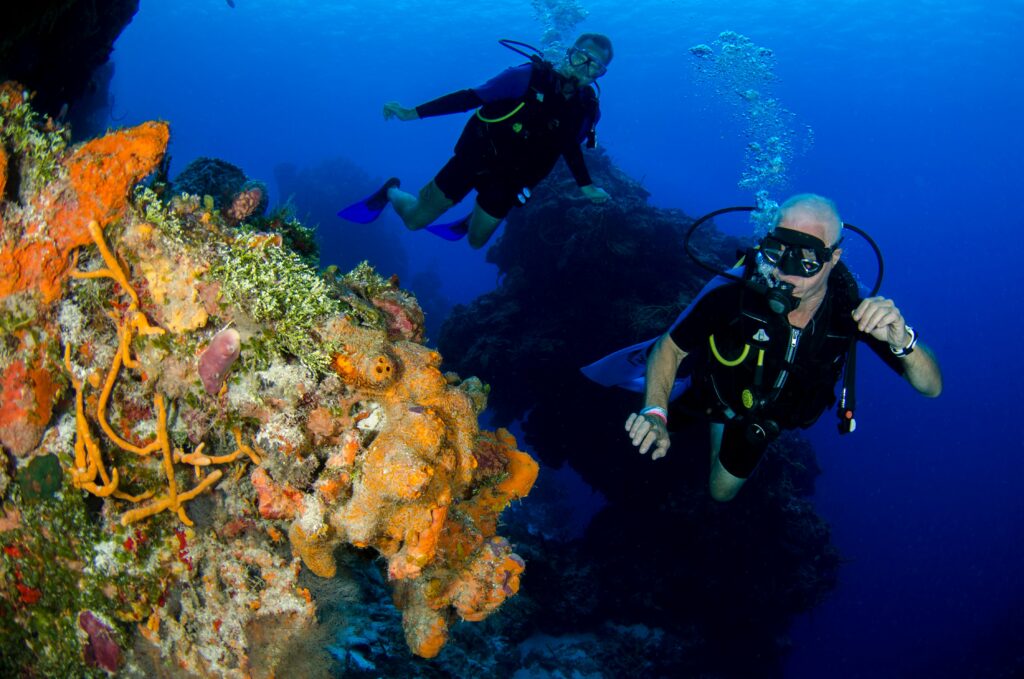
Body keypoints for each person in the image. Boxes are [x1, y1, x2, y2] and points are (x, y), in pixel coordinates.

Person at [621, 194, 942, 501]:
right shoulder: (736, 289)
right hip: (711, 389)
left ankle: (719, 425)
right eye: (777, 251)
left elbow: (932, 388)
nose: (785, 271)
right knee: (644, 441)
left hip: (764, 417)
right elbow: (670, 347)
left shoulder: (854, 308)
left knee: (721, 492)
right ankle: (696, 404)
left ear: (833, 258)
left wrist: (903, 342)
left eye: (807, 260)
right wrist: (655, 412)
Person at [362, 34, 613, 249]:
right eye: (581, 57)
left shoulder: (587, 109)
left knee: (475, 242)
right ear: (569, 53)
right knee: (414, 221)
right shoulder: (526, 77)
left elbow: (569, 146)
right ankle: (391, 190)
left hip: (512, 180)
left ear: (600, 74)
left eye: (595, 67)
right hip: (475, 158)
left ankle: (474, 219)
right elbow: (469, 98)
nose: (584, 68)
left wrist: (586, 186)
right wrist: (411, 113)